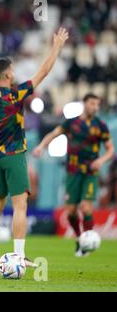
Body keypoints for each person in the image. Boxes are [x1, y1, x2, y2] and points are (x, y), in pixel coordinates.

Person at [0, 28, 69, 267]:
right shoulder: (16, 95)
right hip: (14, 155)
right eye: (12, 69)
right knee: (20, 205)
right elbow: (43, 72)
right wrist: (56, 47)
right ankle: (18, 256)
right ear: (8, 74)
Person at [33, 93, 114, 256]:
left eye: (97, 105)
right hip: (73, 172)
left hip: (90, 172)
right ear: (84, 104)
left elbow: (110, 149)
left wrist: (102, 160)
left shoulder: (101, 125)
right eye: (92, 104)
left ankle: (86, 245)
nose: (95, 107)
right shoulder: (72, 122)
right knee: (70, 211)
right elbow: (54, 134)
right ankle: (79, 239)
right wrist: (41, 146)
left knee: (86, 207)